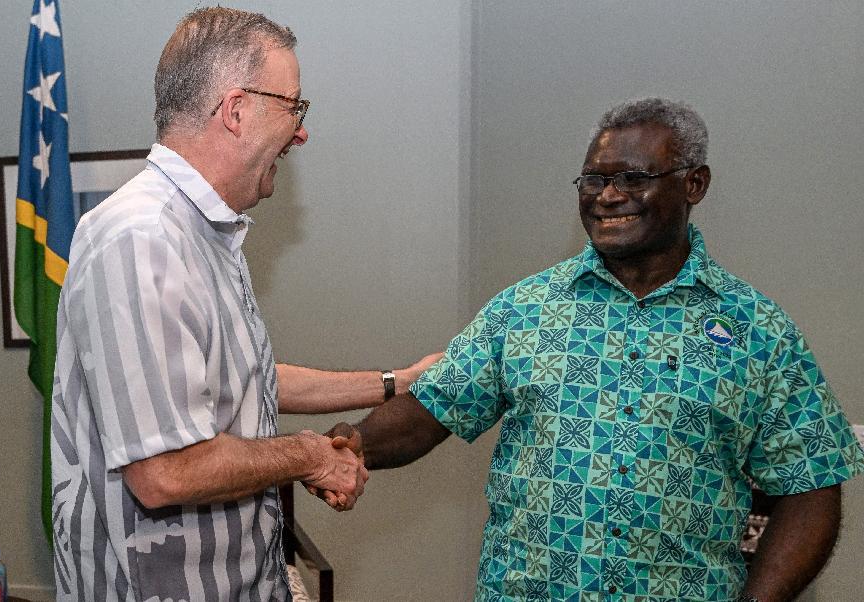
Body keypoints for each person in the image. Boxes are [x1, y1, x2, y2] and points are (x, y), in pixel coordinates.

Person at [329, 98, 864, 601]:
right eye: (595, 179)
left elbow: (811, 488)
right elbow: (431, 409)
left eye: (634, 178)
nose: (608, 196)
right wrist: (348, 446)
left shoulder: (758, 331)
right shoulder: (526, 307)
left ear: (694, 184)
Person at [49, 7, 438, 601]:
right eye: (294, 107)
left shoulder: (206, 232)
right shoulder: (143, 237)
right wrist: (307, 455)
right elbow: (165, 471)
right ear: (235, 110)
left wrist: (395, 383)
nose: (301, 131)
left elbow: (245, 381)